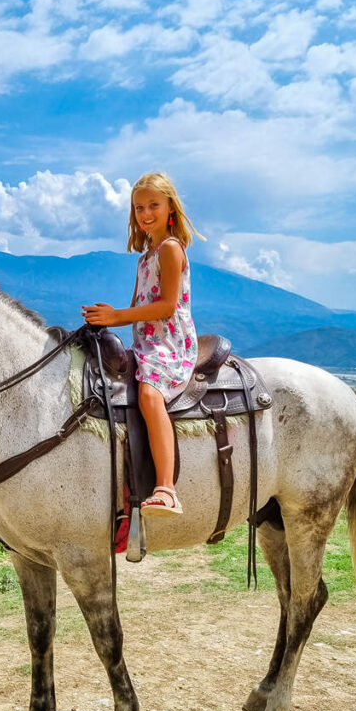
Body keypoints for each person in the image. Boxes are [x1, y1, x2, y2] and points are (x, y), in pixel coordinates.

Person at [82, 172, 200, 516]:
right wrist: (107, 319)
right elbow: (139, 307)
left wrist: (116, 316)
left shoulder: (170, 249)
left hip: (170, 343)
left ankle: (167, 488)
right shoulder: (145, 256)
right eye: (138, 208)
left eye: (153, 205)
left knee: (149, 394)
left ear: (169, 208)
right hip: (147, 341)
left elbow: (166, 306)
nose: (145, 213)